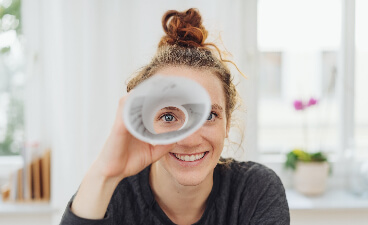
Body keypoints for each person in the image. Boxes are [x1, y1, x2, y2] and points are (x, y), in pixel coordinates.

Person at [60, 8, 290, 225]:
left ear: (227, 123)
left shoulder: (256, 190)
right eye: (169, 117)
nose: (190, 140)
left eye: (209, 115)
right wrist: (105, 172)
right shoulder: (110, 196)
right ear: (144, 123)